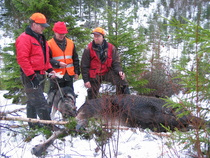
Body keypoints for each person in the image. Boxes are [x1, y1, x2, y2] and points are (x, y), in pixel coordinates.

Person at [16, 13, 56, 129]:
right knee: (40, 102)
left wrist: (49, 69)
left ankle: (32, 125)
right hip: (30, 75)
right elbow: (22, 59)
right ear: (34, 24)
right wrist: (32, 77)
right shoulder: (24, 38)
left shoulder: (40, 38)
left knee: (32, 101)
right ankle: (50, 128)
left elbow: (44, 58)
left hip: (40, 74)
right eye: (41, 25)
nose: (43, 28)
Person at [81, 27, 130, 100]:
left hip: (107, 72)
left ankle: (126, 100)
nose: (96, 38)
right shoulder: (88, 49)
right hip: (95, 74)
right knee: (92, 93)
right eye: (95, 36)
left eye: (98, 36)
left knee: (122, 80)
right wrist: (86, 80)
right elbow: (84, 66)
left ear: (103, 37)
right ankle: (90, 108)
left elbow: (116, 62)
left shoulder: (111, 48)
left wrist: (120, 71)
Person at [47, 21, 80, 105]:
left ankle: (70, 114)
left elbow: (75, 58)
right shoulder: (49, 44)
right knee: (53, 98)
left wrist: (77, 72)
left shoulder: (70, 43)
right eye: (59, 33)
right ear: (55, 32)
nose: (61, 35)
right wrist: (57, 63)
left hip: (68, 75)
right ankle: (49, 116)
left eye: (63, 33)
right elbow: (46, 59)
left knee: (70, 97)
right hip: (56, 76)